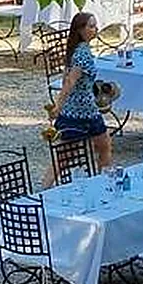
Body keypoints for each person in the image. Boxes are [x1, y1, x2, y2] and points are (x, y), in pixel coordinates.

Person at [47, 11, 112, 180]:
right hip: (82, 112)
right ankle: (103, 182)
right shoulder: (82, 53)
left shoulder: (75, 50)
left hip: (81, 109)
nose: (95, 29)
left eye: (95, 25)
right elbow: (69, 82)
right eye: (90, 26)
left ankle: (101, 181)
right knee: (66, 156)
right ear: (80, 30)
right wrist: (58, 106)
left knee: (102, 145)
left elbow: (65, 79)